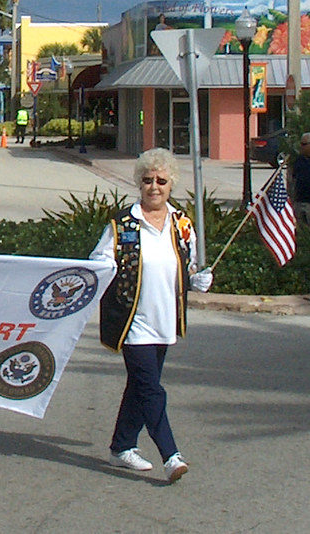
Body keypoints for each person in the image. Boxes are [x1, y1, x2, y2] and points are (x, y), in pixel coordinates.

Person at [90, 148, 213, 484]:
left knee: (140, 388)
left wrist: (197, 280)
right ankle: (171, 456)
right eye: (147, 181)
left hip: (165, 321)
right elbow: (98, 264)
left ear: (171, 183)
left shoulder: (182, 224)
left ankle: (121, 446)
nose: (154, 187)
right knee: (152, 390)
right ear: (139, 183)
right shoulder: (122, 224)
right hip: (133, 323)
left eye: (161, 180)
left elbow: (187, 266)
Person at [291, 131, 310, 226]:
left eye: (304, 144)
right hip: (300, 202)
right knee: (301, 229)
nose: (301, 147)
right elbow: (294, 179)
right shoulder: (299, 161)